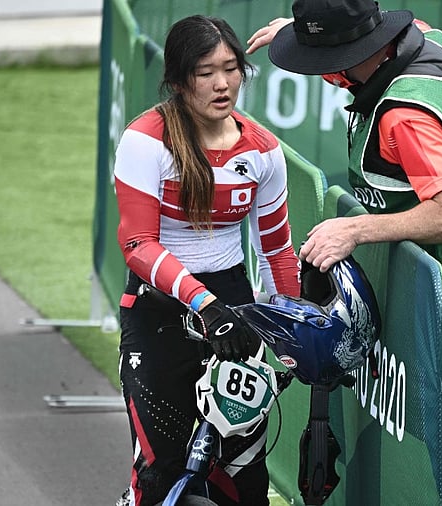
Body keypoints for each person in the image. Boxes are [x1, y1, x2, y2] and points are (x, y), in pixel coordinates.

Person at [246, 0, 442, 318]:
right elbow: (353, 54)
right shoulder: (422, 37)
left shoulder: (405, 117)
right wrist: (300, 36)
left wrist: (354, 230)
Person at [112, 14, 300, 506]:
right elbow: (138, 246)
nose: (222, 84)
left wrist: (292, 324)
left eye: (232, 68)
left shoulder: (263, 151)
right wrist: (204, 304)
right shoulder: (145, 140)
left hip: (233, 311)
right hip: (160, 312)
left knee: (243, 480)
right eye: (205, 72)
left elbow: (276, 249)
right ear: (178, 80)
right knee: (160, 474)